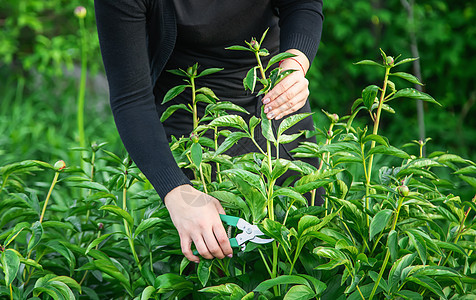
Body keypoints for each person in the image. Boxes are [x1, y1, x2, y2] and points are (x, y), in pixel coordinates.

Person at [94, 0, 324, 264]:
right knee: (215, 269)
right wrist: (176, 192)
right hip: (192, 129)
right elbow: (131, 99)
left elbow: (302, 3)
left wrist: (294, 65)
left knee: (306, 251)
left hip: (277, 103)